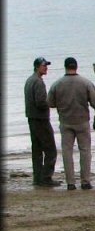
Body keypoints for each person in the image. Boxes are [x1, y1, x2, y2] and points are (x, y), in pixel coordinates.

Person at [47, 57, 95, 191]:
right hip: (82, 121)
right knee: (85, 151)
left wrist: (61, 105)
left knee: (67, 152)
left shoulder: (57, 84)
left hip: (66, 122)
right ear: (76, 67)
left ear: (65, 67)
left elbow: (50, 102)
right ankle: (85, 181)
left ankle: (70, 183)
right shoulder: (85, 83)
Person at [25, 57, 60, 187]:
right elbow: (40, 102)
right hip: (40, 120)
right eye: (44, 66)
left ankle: (38, 178)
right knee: (51, 150)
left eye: (46, 65)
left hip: (32, 119)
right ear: (37, 67)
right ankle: (46, 178)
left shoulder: (29, 80)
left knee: (37, 150)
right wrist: (51, 103)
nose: (46, 68)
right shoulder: (38, 82)